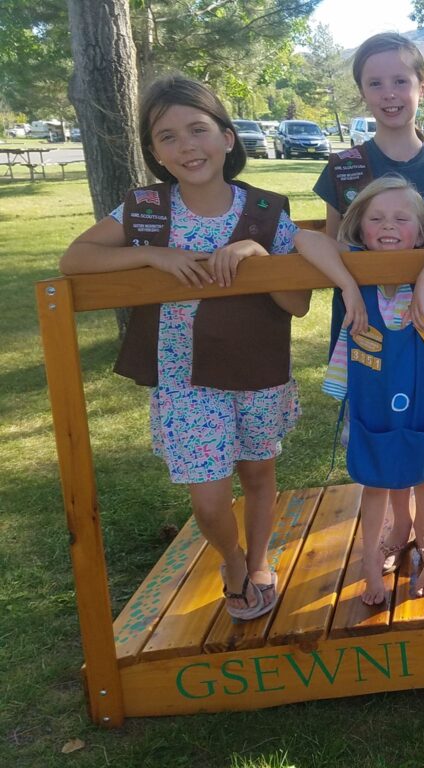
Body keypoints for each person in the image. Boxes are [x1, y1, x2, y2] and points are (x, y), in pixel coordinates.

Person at [60, 74, 310, 621]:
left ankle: (261, 559)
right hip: (184, 379)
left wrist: (254, 253)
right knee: (209, 497)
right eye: (167, 136)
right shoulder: (146, 212)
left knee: (259, 474)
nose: (186, 146)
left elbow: (297, 303)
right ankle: (233, 560)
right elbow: (74, 260)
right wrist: (151, 256)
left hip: (257, 369)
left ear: (226, 138)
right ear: (154, 152)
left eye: (198, 129)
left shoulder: (267, 214)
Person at [312, 32, 424, 575]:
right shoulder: (343, 168)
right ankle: (398, 530)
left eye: (401, 80)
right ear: (362, 91)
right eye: (375, 82)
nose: (389, 93)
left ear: (422, 87)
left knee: (421, 434)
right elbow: (335, 245)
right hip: (365, 333)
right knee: (381, 433)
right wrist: (345, 285)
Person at [296, 176, 424, 605]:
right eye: (375, 217)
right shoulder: (355, 260)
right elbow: (304, 238)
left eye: (400, 218)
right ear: (359, 226)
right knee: (375, 483)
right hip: (369, 402)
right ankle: (371, 563)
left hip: (420, 398)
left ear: (419, 230)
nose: (387, 225)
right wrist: (349, 285)